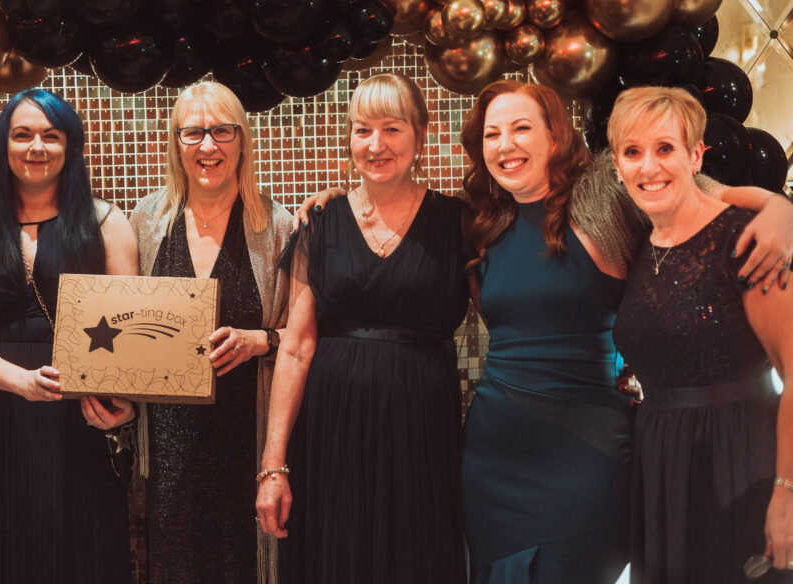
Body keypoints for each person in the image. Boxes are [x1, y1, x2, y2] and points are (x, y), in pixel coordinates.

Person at [456, 79, 793, 583]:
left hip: (587, 451)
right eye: (492, 134)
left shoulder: (605, 191)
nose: (506, 145)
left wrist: (779, 209)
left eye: (522, 128)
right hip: (494, 454)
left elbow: (702, 191)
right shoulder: (482, 220)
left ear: (555, 136)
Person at [256, 73, 472, 583]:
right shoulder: (320, 223)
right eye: (362, 129)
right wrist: (273, 465)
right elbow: (296, 348)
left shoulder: (459, 223)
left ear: (421, 133)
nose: (376, 145)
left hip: (421, 429)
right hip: (330, 432)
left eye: (392, 128)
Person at [0, 89, 137, 584]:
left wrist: (126, 403)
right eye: (22, 134)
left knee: (83, 543)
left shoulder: (106, 222)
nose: (37, 147)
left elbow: (132, 332)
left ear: (71, 146)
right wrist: (19, 381)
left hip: (80, 413)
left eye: (51, 136)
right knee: (7, 545)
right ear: (3, 145)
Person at [609, 87, 793, 583]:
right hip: (662, 465)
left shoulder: (746, 239)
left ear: (695, 156)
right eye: (633, 152)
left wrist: (787, 491)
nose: (648, 167)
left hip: (740, 462)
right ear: (617, 164)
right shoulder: (640, 241)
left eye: (665, 149)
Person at [129, 81, 291, 584]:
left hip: (247, 437)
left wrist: (261, 340)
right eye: (193, 132)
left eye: (223, 131)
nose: (207, 146)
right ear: (175, 142)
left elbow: (307, 337)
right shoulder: (145, 223)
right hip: (167, 449)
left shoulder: (279, 227)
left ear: (243, 140)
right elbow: (124, 330)